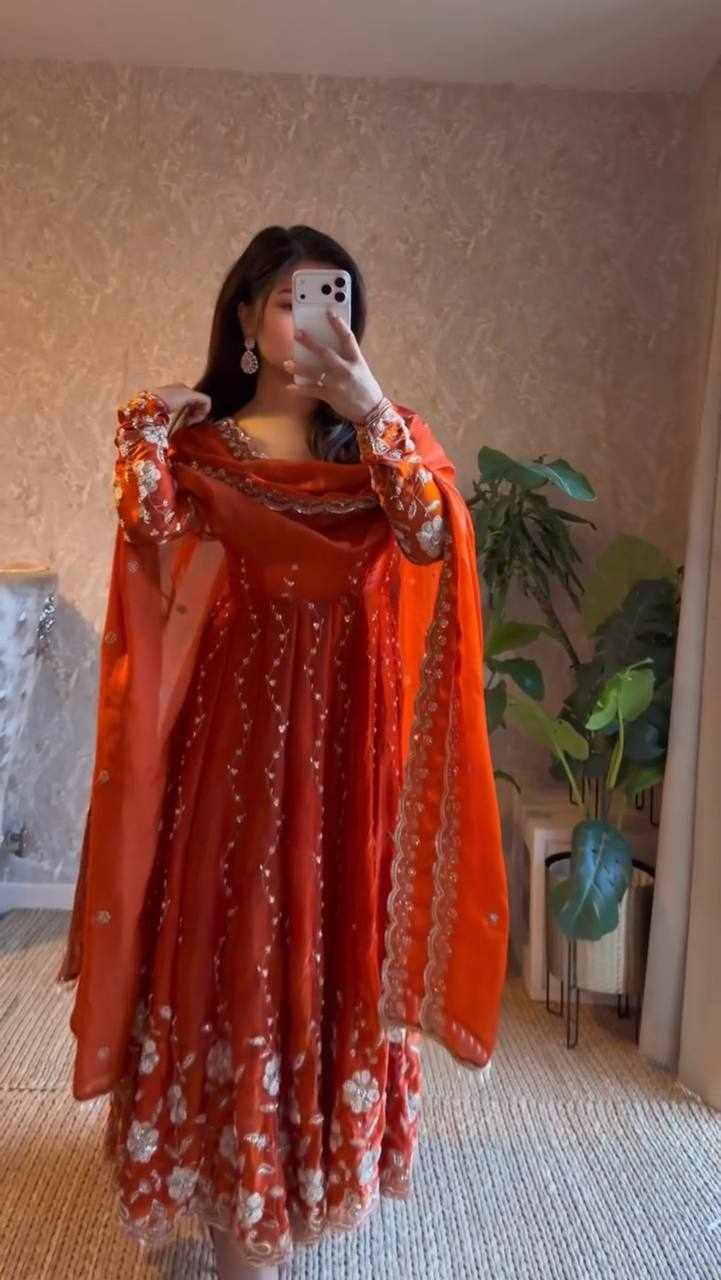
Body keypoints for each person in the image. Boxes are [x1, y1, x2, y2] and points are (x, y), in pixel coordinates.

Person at [56, 224, 509, 1278]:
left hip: (348, 741)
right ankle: (234, 1200)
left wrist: (370, 404)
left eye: (332, 303)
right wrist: (148, 418)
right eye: (288, 302)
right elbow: (146, 518)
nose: (311, 324)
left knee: (329, 928)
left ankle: (299, 1178)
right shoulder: (208, 450)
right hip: (234, 733)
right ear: (248, 319)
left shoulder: (387, 442)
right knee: (233, 928)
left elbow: (430, 535)